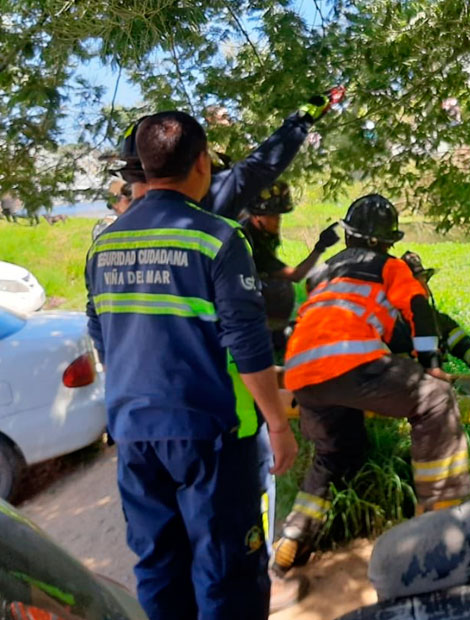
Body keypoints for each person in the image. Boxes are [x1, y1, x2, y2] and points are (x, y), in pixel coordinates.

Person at [85, 110, 298, 620]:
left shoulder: (104, 246)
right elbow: (247, 344)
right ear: (201, 162)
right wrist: (276, 421)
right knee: (228, 568)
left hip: (135, 433)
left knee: (159, 565)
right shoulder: (218, 239)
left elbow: (102, 337)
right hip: (209, 435)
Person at [274, 194, 470, 598]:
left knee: (339, 451)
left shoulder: (324, 272)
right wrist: (430, 362)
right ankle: (440, 522)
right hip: (350, 361)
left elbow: (313, 319)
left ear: (348, 235)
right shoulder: (390, 267)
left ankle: (294, 535)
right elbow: (417, 306)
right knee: (434, 399)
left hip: (302, 372)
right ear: (388, 242)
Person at [104, 86, 345, 220]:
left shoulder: (109, 242)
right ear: (198, 163)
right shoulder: (208, 204)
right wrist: (302, 119)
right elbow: (262, 165)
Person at [241, 179, 340, 351]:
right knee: (280, 287)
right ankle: (271, 336)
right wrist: (319, 247)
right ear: (256, 217)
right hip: (240, 299)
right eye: (272, 216)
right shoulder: (250, 240)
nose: (277, 220)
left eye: (278, 215)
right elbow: (295, 275)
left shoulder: (261, 230)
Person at [390, 251, 470, 386]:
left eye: (424, 282)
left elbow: (465, 346)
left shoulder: (439, 321)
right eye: (416, 283)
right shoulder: (388, 324)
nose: (424, 289)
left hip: (433, 393)